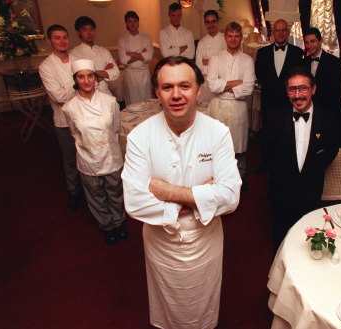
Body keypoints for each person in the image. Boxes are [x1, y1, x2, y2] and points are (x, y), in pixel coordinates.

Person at [121, 56, 241, 329]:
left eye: (184, 86)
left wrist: (168, 192)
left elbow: (231, 196)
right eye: (167, 87)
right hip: (161, 245)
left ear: (198, 90)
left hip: (205, 242)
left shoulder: (218, 133)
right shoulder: (140, 137)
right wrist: (201, 197)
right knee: (169, 307)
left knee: (203, 305)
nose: (176, 95)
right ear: (157, 93)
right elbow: (135, 202)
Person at [265, 67, 340, 250]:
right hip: (281, 190)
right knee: (280, 237)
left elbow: (331, 151)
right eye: (292, 89)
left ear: (313, 89)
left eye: (303, 88)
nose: (297, 95)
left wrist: (312, 172)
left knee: (307, 238)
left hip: (311, 190)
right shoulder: (273, 118)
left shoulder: (329, 120)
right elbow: (268, 153)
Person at [62, 59, 127, 245]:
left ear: (95, 77)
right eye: (81, 77)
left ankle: (119, 222)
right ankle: (107, 226)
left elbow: (115, 128)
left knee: (115, 191)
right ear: (75, 79)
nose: (87, 80)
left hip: (111, 156)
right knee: (96, 195)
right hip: (87, 158)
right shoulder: (70, 107)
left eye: (90, 75)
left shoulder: (110, 101)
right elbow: (75, 133)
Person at [207, 22, 255, 190]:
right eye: (230, 36)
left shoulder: (247, 60)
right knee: (217, 147)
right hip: (218, 108)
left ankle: (239, 181)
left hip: (238, 108)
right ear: (225, 37)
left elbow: (248, 87)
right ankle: (218, 181)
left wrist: (224, 85)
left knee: (239, 148)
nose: (233, 39)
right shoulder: (215, 59)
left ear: (241, 38)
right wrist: (237, 83)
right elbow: (212, 85)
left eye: (236, 36)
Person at [39, 24, 81, 210]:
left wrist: (77, 86)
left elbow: (90, 86)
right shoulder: (46, 66)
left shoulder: (78, 60)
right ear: (50, 41)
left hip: (84, 117)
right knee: (70, 158)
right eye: (57, 37)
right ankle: (74, 192)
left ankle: (90, 191)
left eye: (65, 37)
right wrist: (79, 86)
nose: (62, 40)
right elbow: (58, 97)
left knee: (88, 155)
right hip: (63, 120)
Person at [254, 19, 303, 174]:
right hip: (269, 101)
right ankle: (266, 163)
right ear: (273, 32)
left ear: (288, 33)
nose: (280, 33)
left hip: (289, 102)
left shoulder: (297, 53)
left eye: (283, 30)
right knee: (268, 134)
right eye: (277, 30)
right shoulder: (262, 53)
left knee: (287, 135)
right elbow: (259, 74)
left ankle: (286, 165)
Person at [70, 16, 119, 96]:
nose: (89, 33)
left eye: (91, 29)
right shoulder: (74, 53)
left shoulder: (103, 51)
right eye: (84, 30)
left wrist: (92, 73)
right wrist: (104, 71)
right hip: (87, 96)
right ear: (78, 32)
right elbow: (79, 79)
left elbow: (116, 72)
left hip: (106, 93)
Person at [300, 27, 341, 113]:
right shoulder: (302, 63)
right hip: (306, 109)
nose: (309, 46)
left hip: (326, 110)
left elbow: (335, 92)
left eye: (312, 41)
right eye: (306, 43)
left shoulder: (334, 62)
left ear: (320, 41)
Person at [117, 10, 154, 105]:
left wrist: (131, 54)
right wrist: (141, 54)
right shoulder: (122, 40)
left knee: (147, 102)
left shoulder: (146, 38)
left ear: (138, 23)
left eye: (134, 21)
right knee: (132, 103)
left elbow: (149, 56)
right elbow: (123, 60)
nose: (132, 24)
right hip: (130, 76)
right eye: (129, 21)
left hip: (144, 74)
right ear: (126, 23)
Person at [195, 10, 226, 103]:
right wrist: (216, 64)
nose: (211, 24)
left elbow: (227, 63)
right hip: (206, 86)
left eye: (213, 21)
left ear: (217, 22)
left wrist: (209, 62)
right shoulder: (201, 43)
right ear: (205, 23)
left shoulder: (225, 39)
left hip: (222, 84)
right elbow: (199, 66)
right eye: (208, 22)